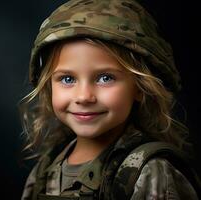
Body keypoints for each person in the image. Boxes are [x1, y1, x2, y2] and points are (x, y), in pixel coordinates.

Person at [19, 0, 201, 199]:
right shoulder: (44, 173)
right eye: (67, 79)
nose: (84, 97)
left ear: (140, 87)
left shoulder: (149, 172)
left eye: (105, 78)